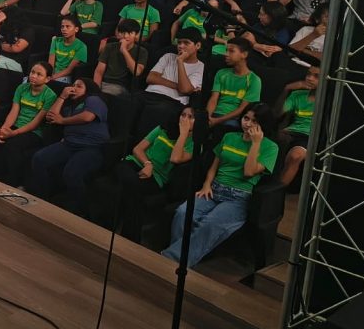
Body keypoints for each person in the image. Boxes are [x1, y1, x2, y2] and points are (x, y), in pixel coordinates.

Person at [162, 103, 279, 267]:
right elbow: (214, 166)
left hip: (237, 198)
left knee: (209, 223)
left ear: (263, 125)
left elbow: (249, 172)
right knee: (183, 213)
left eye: (255, 121)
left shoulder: (270, 147)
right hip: (214, 189)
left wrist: (256, 144)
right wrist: (206, 184)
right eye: (246, 118)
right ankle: (182, 260)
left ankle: (171, 260)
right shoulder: (229, 137)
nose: (248, 124)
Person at [28, 78, 110, 215]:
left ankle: (80, 212)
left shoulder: (93, 99)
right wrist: (62, 96)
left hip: (91, 147)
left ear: (88, 89)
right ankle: (43, 200)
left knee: (71, 173)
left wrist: (62, 120)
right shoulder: (69, 106)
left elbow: (87, 117)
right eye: (73, 85)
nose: (74, 88)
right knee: (39, 159)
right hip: (69, 144)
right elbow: (51, 118)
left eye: (79, 86)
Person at [113, 107, 195, 242]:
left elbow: (175, 159)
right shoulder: (162, 129)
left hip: (156, 177)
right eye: (183, 115)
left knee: (133, 189)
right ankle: (131, 241)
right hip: (136, 163)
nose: (185, 119)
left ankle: (127, 238)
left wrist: (183, 134)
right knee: (128, 178)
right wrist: (147, 164)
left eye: (190, 117)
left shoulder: (194, 144)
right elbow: (137, 149)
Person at [0, 62, 57, 186]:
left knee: (13, 145)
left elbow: (36, 122)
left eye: (39, 74)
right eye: (32, 72)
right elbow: (14, 111)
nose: (33, 76)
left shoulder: (50, 95)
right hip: (15, 125)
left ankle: (13, 182)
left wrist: (12, 133)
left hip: (33, 131)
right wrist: (4, 129)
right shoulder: (21, 88)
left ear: (47, 79)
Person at [136, 28, 205, 137]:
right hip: (150, 93)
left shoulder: (200, 67)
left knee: (157, 110)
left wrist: (180, 62)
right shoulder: (168, 56)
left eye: (186, 43)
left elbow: (185, 90)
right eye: (179, 42)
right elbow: (150, 78)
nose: (181, 46)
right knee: (131, 99)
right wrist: (177, 86)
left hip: (172, 101)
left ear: (198, 46)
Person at [276, 66, 320, 186]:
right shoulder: (297, 94)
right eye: (308, 74)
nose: (310, 78)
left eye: (316, 76)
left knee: (295, 156)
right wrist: (286, 89)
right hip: (291, 132)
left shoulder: (328, 99)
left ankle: (277, 191)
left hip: (309, 136)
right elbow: (278, 113)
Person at [207, 37, 262, 131]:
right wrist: (207, 117)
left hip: (234, 119)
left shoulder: (254, 80)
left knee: (226, 127)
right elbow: (213, 99)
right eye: (226, 50)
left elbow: (243, 109)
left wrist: (217, 121)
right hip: (215, 114)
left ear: (244, 54)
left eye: (231, 51)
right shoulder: (221, 73)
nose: (226, 54)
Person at [95, 19, 148, 96]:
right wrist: (96, 89)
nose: (126, 36)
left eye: (130, 33)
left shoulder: (142, 51)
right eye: (123, 33)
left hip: (120, 86)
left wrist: (124, 50)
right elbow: (98, 72)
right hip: (103, 83)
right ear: (118, 34)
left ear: (136, 34)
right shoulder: (110, 47)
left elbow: (137, 72)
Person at [48, 15, 87, 86]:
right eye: (62, 26)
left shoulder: (82, 46)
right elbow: (50, 64)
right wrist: (48, 75)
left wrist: (52, 77)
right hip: (52, 74)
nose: (64, 29)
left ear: (76, 29)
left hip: (66, 76)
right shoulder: (56, 41)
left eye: (68, 26)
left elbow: (69, 70)